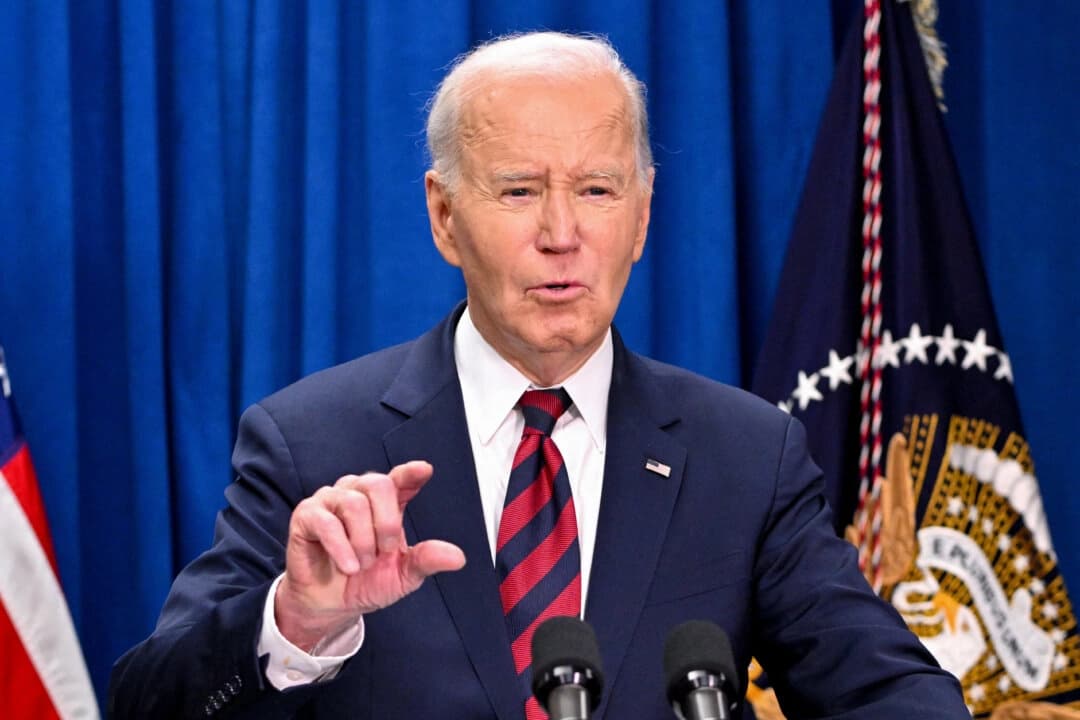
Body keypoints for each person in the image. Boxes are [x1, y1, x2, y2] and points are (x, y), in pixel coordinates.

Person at [109, 32, 969, 719]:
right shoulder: (312, 441)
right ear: (444, 216)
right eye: (519, 191)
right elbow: (149, 703)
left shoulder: (747, 457)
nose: (562, 235)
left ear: (643, 214)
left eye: (597, 191)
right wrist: (298, 623)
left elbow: (890, 693)